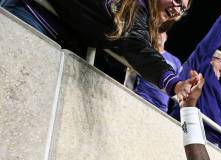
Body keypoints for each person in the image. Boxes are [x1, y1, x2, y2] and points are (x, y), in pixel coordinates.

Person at [2, 0, 193, 100]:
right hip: (33, 16)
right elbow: (138, 46)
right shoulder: (134, 7)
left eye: (183, 9)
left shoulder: (138, 12)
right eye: (176, 0)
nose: (177, 10)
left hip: (50, 35)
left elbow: (136, 44)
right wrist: (173, 83)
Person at [170, 3, 221, 152]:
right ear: (211, 59)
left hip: (214, 144)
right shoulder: (202, 69)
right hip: (191, 131)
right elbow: (207, 46)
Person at [131, 32, 181, 112]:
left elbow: (177, 85)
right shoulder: (145, 52)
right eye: (156, 32)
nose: (159, 35)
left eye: (162, 32)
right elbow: (131, 74)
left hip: (161, 108)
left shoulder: (176, 61)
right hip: (141, 98)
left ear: (166, 37)